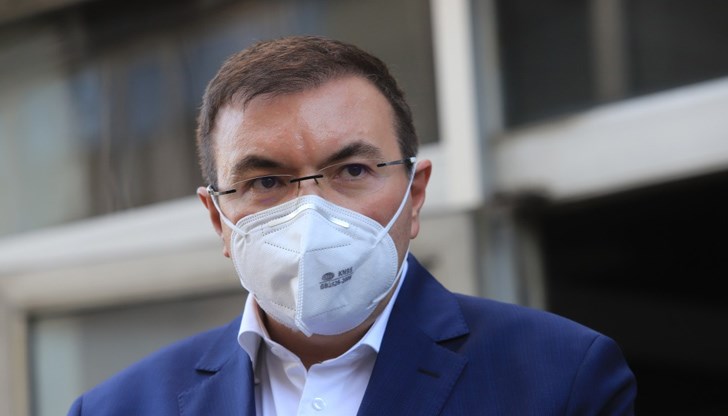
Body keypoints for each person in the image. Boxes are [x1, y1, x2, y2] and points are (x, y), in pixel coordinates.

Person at [67, 35, 636, 415]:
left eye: (353, 170)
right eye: (266, 181)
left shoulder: (559, 378)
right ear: (219, 218)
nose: (311, 211)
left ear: (415, 195)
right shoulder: (118, 409)